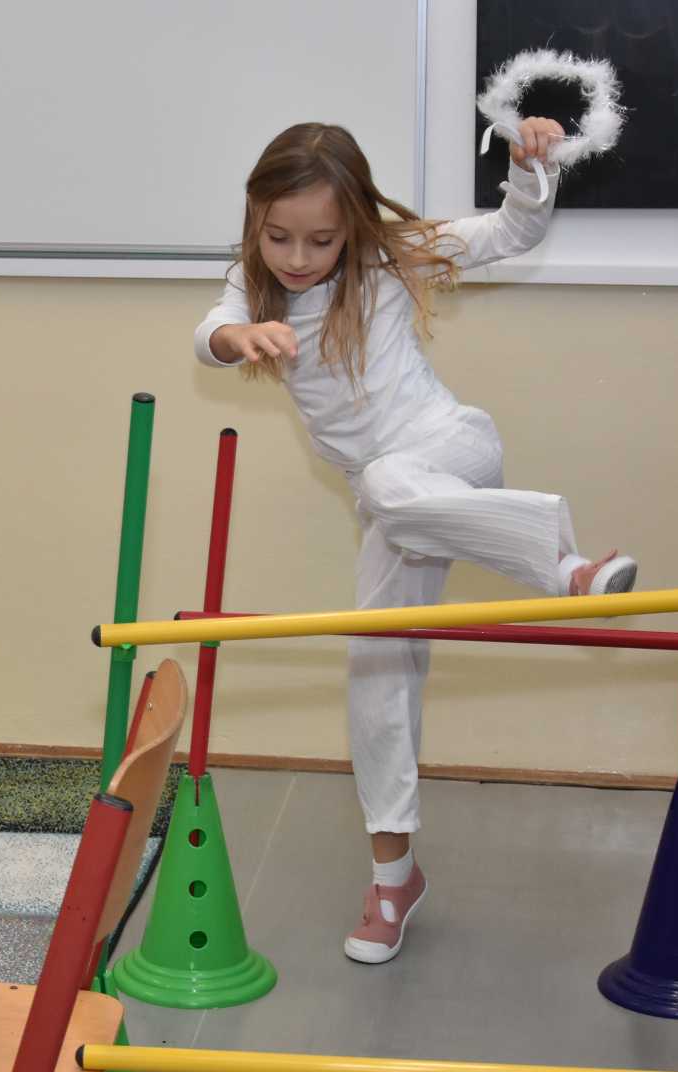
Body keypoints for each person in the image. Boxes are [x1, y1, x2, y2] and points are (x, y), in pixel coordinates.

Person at [195, 120, 636, 965]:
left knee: (386, 481)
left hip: (453, 453)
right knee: (376, 667)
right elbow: (208, 332)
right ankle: (394, 881)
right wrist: (235, 338)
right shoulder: (253, 287)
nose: (297, 257)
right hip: (399, 508)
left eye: (321, 239)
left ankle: (565, 565)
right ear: (254, 219)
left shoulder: (390, 259)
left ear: (354, 223)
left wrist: (529, 169)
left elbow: (511, 232)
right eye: (278, 236)